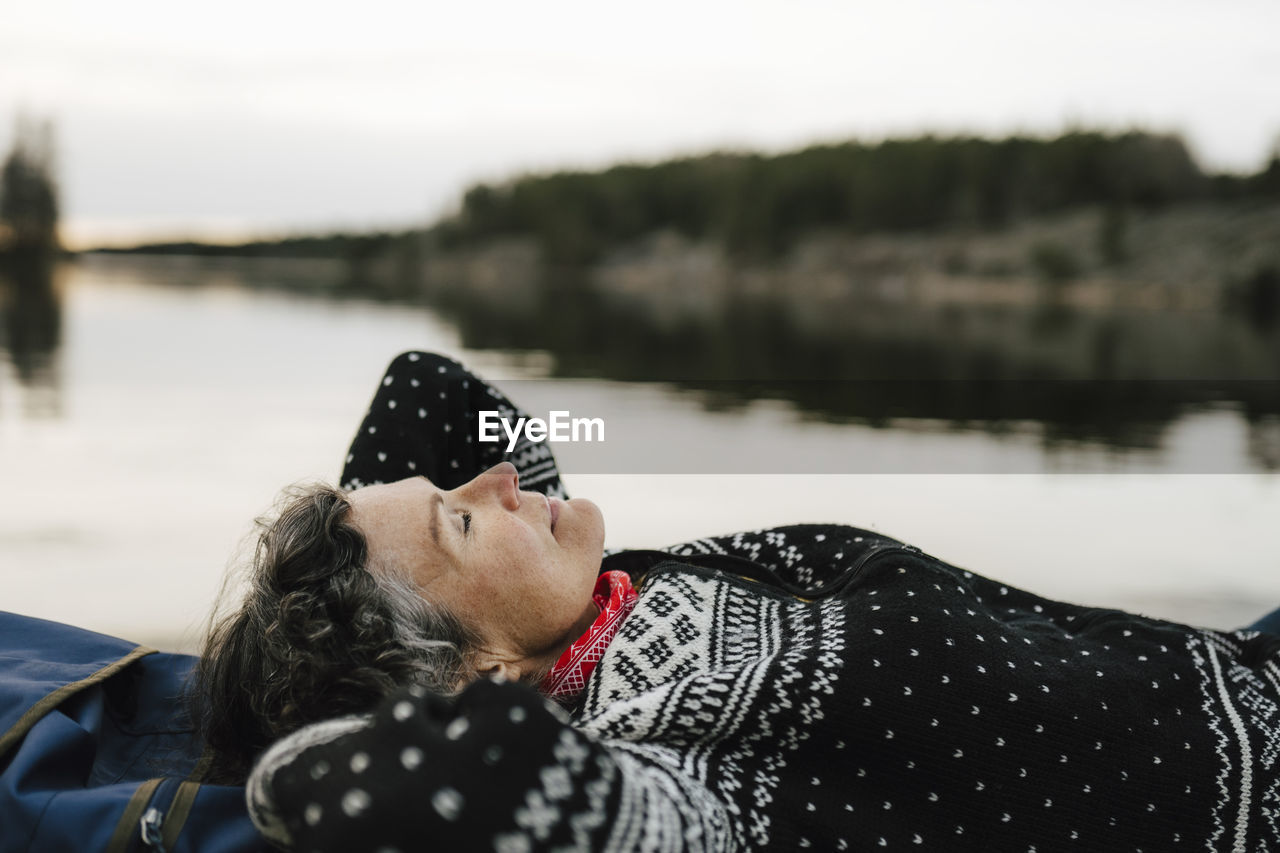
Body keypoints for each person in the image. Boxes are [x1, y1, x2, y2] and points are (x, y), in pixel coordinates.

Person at [195, 351, 1280, 852]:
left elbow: (430, 390)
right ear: (472, 677)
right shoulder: (659, 763)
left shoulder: (593, 593)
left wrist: (369, 515)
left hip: (1243, 663)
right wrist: (317, 740)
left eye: (457, 490)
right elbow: (470, 786)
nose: (497, 482)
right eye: (465, 521)